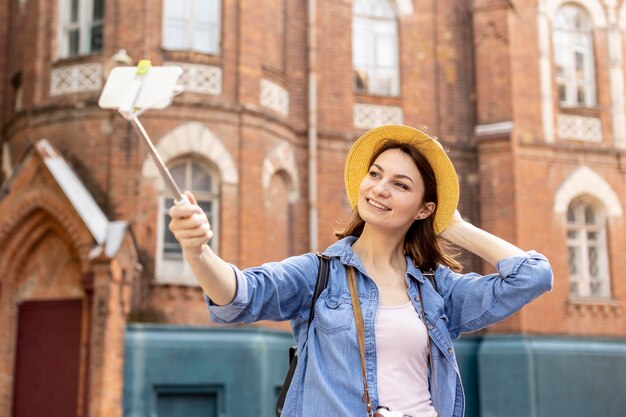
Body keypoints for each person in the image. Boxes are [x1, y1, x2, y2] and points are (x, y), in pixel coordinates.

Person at [168, 124, 553, 417]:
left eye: (400, 185)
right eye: (375, 174)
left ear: (424, 209)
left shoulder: (438, 289)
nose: (380, 188)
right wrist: (198, 251)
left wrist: (456, 227)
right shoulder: (318, 275)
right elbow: (238, 294)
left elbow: (532, 275)